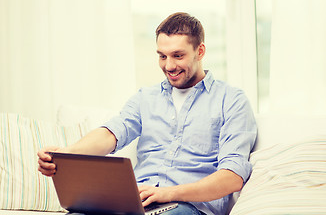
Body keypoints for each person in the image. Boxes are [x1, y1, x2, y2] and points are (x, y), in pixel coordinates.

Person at [38, 12, 257, 215]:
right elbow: (111, 134)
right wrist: (65, 155)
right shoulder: (146, 98)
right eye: (162, 56)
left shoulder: (231, 100)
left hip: (189, 207)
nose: (169, 66)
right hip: (136, 203)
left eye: (178, 55)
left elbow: (232, 177)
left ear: (200, 52)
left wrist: (168, 193)